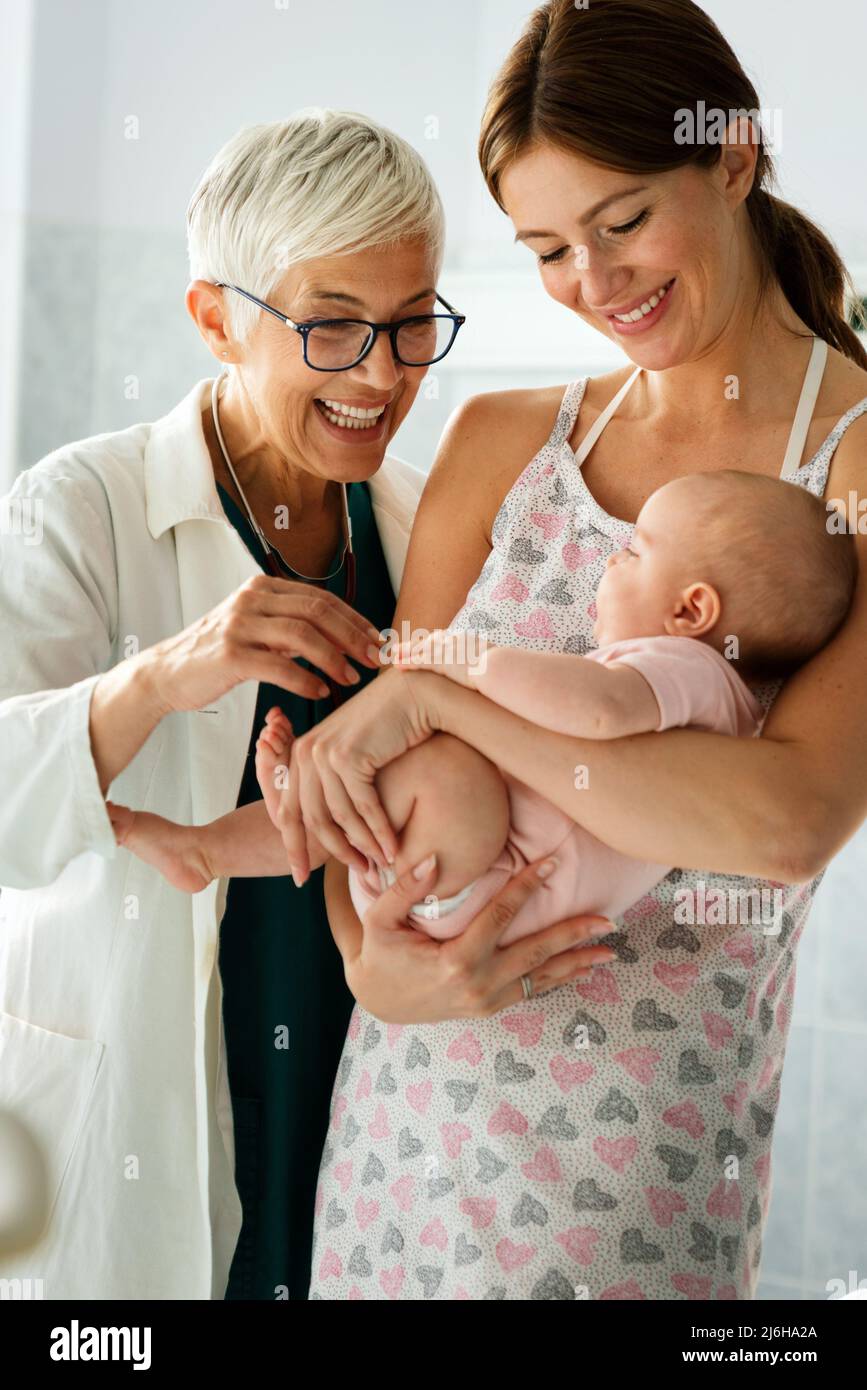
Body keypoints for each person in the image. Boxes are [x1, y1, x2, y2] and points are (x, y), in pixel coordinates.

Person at [278, 1, 867, 1298]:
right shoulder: (501, 444)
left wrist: (445, 694)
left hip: (626, 1181)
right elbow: (361, 783)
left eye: (619, 222)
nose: (591, 283)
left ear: (729, 158)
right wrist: (363, 956)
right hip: (398, 1137)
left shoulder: (849, 466)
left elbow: (779, 824)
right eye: (545, 246)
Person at [0, 107, 609, 1301]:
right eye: (332, 326)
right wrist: (166, 674)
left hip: (357, 1121)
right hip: (134, 1129)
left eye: (411, 322)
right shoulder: (84, 507)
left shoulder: (430, 527)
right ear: (216, 316)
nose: (383, 375)